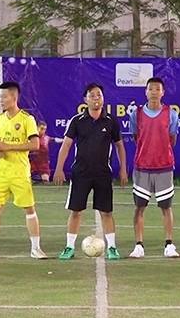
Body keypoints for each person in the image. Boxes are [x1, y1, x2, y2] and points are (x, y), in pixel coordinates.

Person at [54, 82, 128, 261]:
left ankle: (112, 248)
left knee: (106, 212)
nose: (96, 98)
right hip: (81, 173)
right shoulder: (77, 121)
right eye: (92, 95)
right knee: (76, 211)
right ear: (85, 99)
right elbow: (66, 145)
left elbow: (119, 146)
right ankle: (69, 247)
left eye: (99, 95)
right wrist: (59, 168)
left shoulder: (111, 121)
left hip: (103, 174)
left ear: (103, 98)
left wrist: (124, 169)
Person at [0, 81, 47, 259]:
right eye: (0, 97)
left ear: (14, 97)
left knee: (29, 208)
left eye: (4, 97)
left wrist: (8, 147)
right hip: (2, 172)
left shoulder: (27, 119)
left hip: (20, 172)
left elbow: (34, 144)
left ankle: (36, 248)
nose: (1, 100)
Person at [127, 77, 180, 258]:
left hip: (164, 167)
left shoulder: (171, 114)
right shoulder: (137, 114)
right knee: (140, 207)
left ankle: (169, 244)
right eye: (151, 89)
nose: (154, 92)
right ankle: (139, 245)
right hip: (142, 167)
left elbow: (172, 139)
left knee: (166, 207)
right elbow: (136, 137)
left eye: (158, 89)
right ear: (146, 92)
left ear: (163, 92)